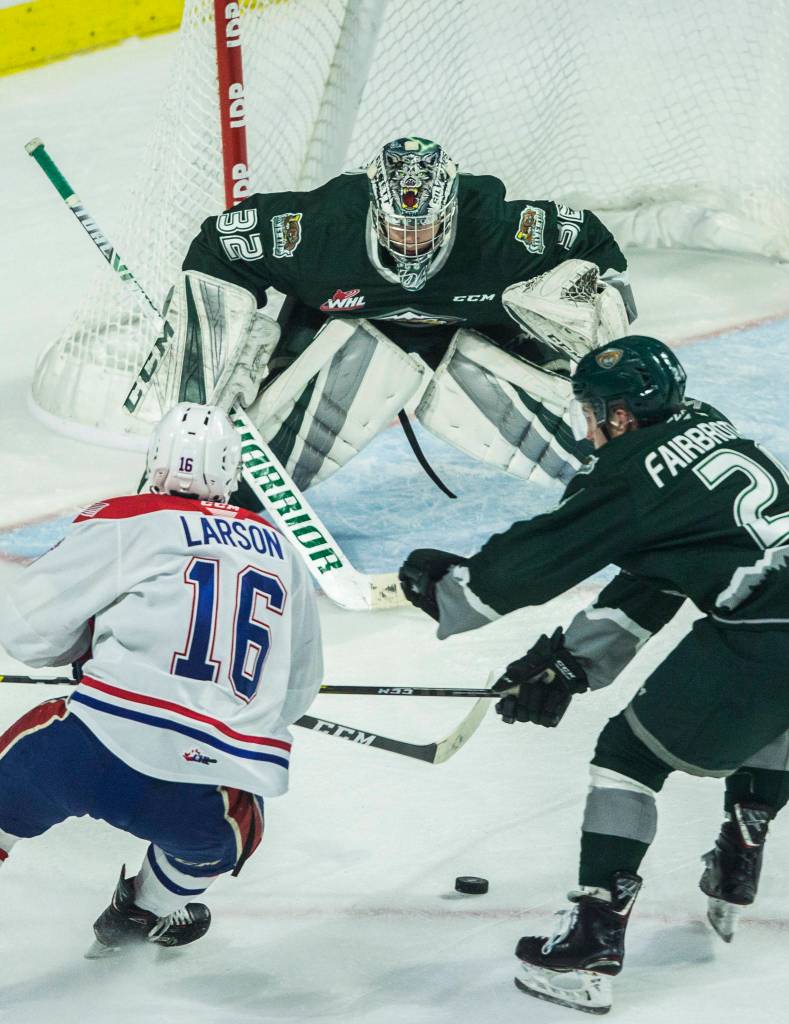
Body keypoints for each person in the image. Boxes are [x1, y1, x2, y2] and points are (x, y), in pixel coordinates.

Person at [398, 336, 789, 1014]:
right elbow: (657, 575)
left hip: (767, 634)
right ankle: (740, 846)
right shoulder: (703, 422)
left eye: (592, 412)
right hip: (774, 615)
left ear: (622, 415)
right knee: (765, 710)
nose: (586, 427)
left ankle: (589, 944)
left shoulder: (627, 472)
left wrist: (449, 591)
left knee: (626, 759)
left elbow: (532, 562)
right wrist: (570, 663)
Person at [143, 136, 635, 504]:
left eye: (427, 226)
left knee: (605, 465)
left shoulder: (503, 234)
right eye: (399, 227)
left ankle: (639, 489)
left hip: (470, 344)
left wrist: (584, 326)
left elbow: (601, 254)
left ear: (451, 209)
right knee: (231, 472)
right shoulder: (317, 231)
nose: (412, 240)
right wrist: (201, 397)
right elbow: (216, 251)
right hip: (342, 343)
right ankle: (193, 501)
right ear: (375, 210)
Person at [0, 403, 322, 957]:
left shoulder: (126, 518)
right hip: (202, 798)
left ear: (153, 464)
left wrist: (90, 651)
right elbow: (296, 692)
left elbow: (28, 635)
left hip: (88, 752)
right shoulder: (283, 550)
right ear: (232, 473)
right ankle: (141, 915)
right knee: (224, 839)